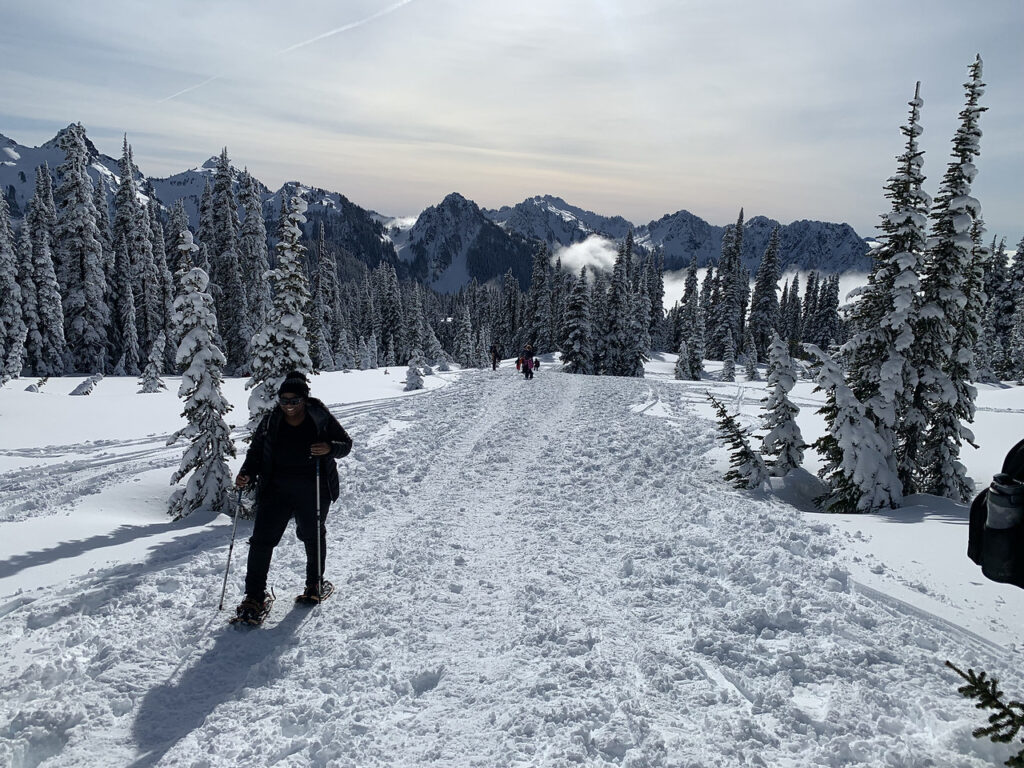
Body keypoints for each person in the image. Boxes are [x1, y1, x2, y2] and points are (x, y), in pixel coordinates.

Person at [234, 371, 353, 619]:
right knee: (261, 541)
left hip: (314, 488)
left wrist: (330, 448)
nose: (288, 406)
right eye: (284, 400)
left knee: (312, 535)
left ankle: (314, 584)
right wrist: (246, 473)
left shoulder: (319, 417)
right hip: (275, 489)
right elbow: (255, 453)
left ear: (304, 399)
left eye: (294, 401)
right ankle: (254, 596)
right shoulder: (270, 422)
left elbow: (346, 444)